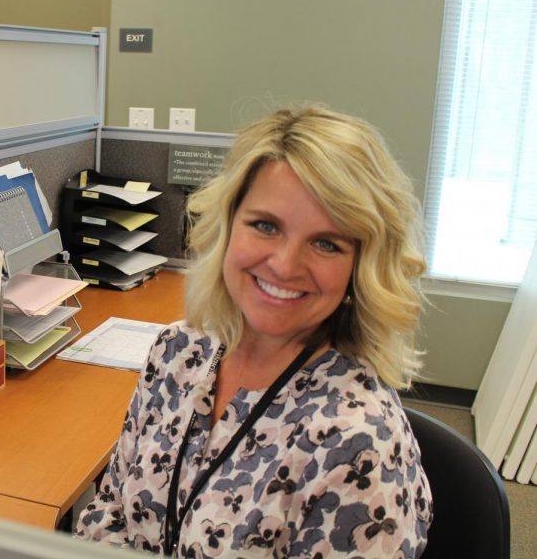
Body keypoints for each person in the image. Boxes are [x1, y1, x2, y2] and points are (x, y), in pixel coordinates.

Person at [75, 106, 433, 557]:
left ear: (360, 266)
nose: (284, 265)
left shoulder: (359, 443)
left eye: (326, 243)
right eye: (266, 226)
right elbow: (108, 511)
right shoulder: (177, 353)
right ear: (228, 226)